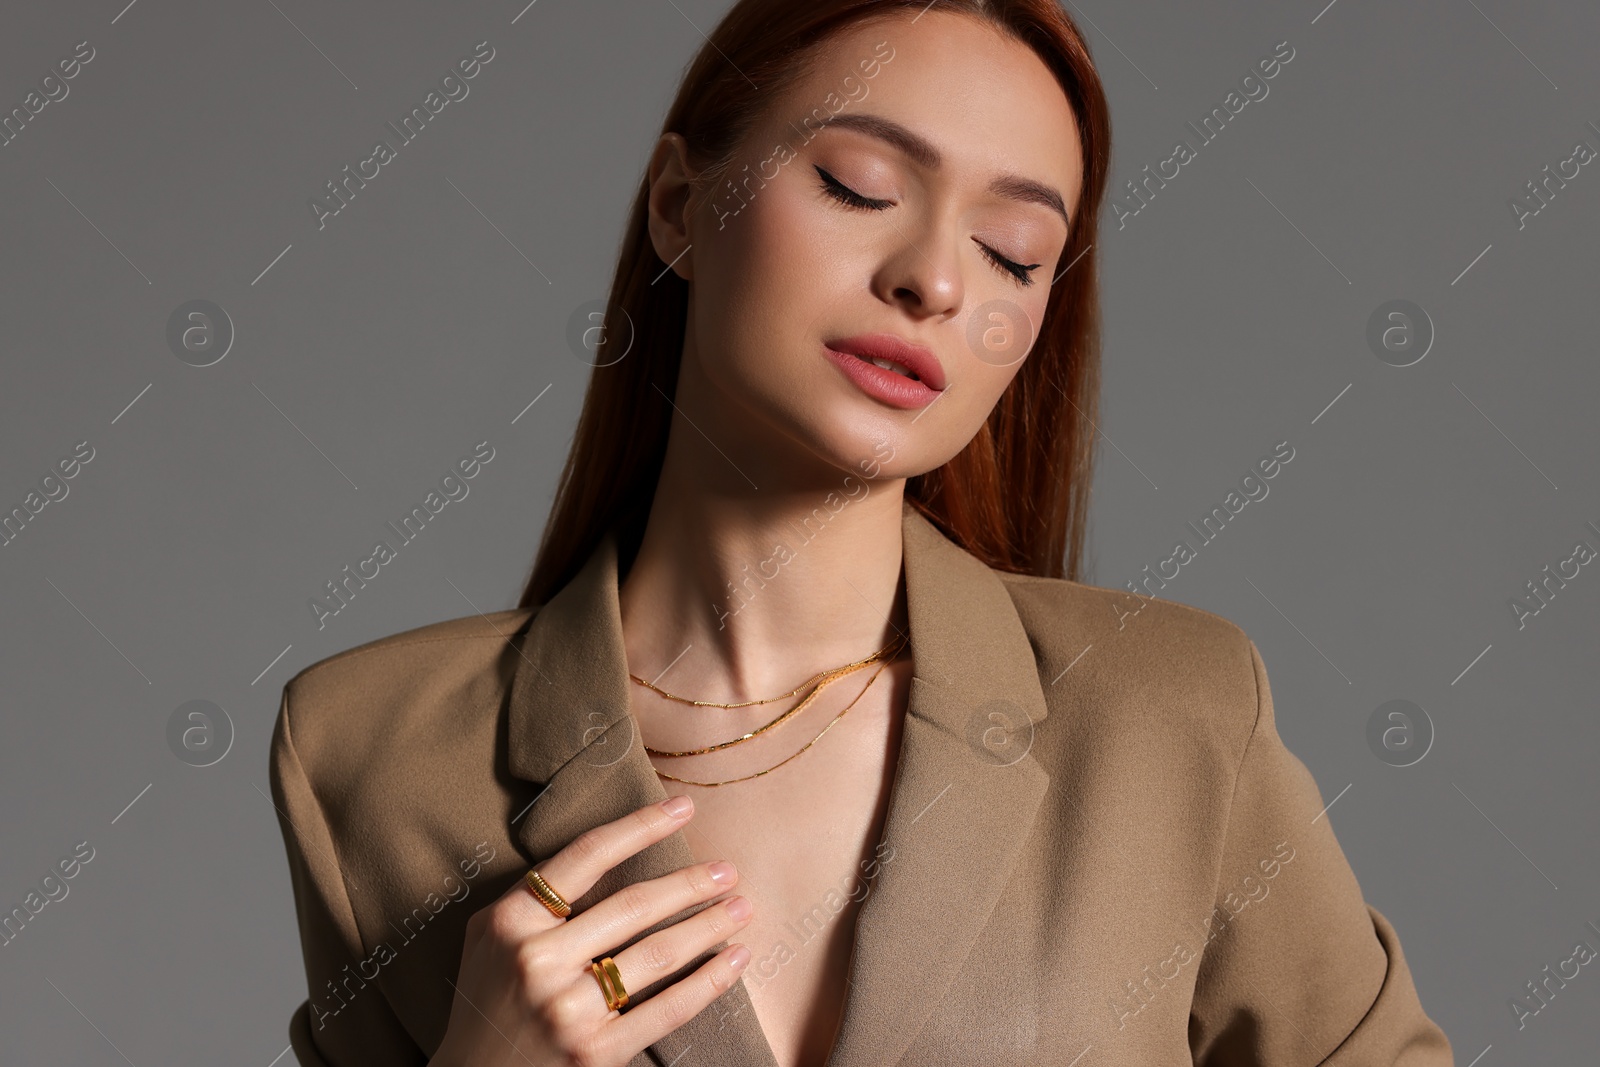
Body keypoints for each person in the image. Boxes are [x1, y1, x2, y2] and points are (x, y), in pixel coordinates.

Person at [269, 2, 1455, 1065]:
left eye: (1012, 253)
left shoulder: (1173, 712)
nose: (935, 279)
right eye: (856, 185)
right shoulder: (368, 752)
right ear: (683, 206)